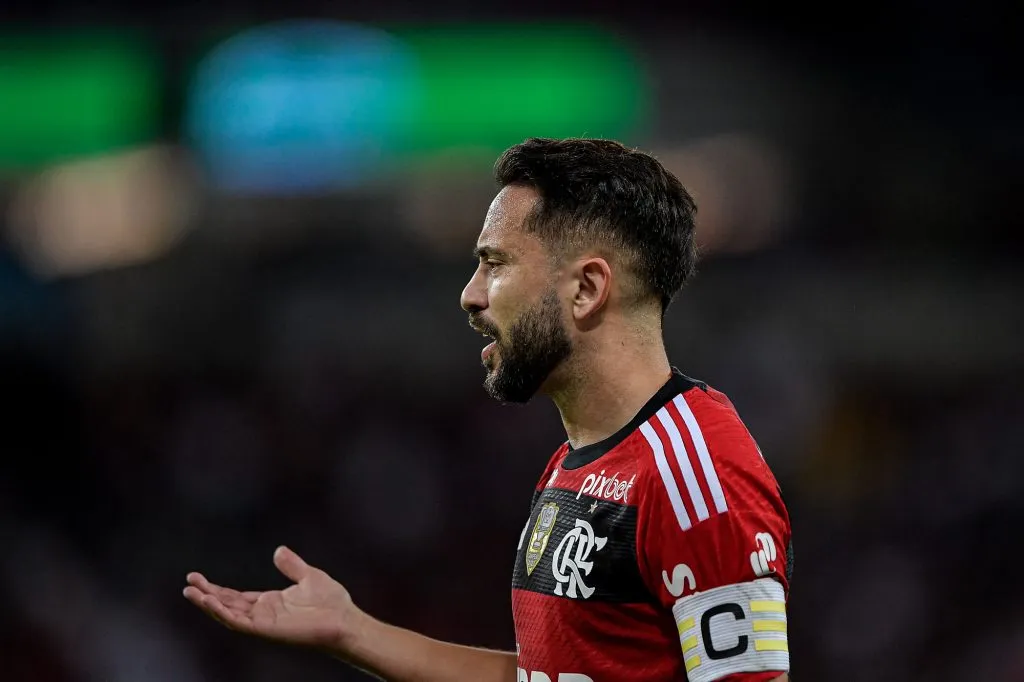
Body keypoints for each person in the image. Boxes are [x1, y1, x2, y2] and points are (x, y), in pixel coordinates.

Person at [184, 137, 793, 682]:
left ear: (586, 289)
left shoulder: (696, 476)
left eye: (495, 263)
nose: (470, 295)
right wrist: (353, 631)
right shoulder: (574, 465)